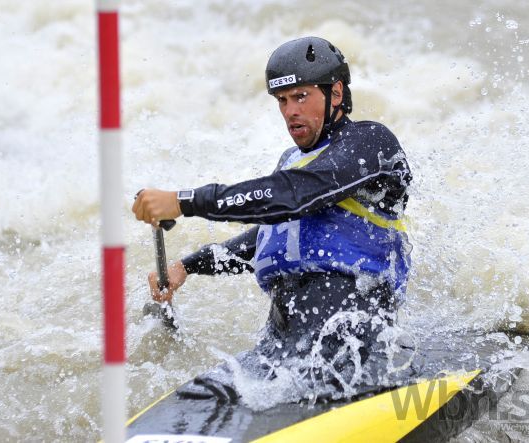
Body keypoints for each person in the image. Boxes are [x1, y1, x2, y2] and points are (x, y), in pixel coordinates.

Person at [132, 36, 412, 387]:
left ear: (336, 94)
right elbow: (276, 236)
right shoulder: (292, 162)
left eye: (301, 97)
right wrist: (189, 266)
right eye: (282, 100)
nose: (290, 111)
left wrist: (187, 201)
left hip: (353, 333)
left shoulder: (369, 144)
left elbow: (297, 195)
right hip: (282, 336)